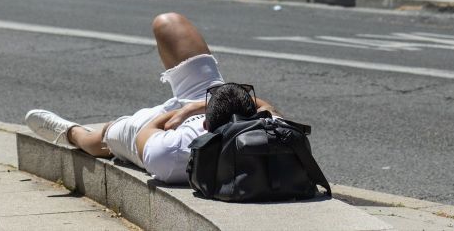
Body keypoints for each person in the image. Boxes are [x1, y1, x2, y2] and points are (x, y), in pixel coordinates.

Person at [24, 12, 276, 184]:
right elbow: (263, 106)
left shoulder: (172, 154)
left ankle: (70, 132)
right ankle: (205, 101)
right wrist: (201, 104)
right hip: (211, 103)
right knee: (168, 23)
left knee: (102, 137)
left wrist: (183, 113)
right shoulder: (272, 132)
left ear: (207, 126)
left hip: (163, 127)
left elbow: (150, 129)